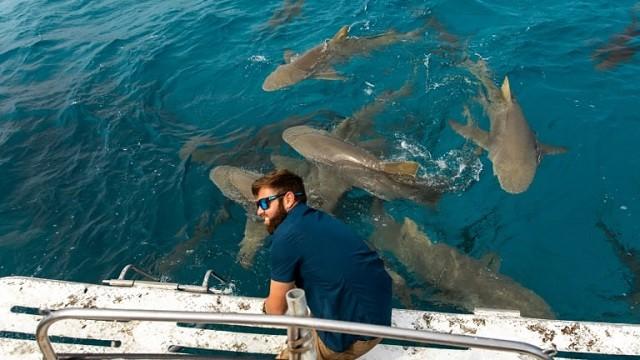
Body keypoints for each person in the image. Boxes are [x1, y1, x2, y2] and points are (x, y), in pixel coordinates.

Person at [251, 169, 392, 360]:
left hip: (358, 334)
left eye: (264, 203)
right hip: (379, 311)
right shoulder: (320, 219)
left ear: (288, 199)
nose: (259, 211)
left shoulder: (286, 237)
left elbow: (276, 311)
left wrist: (266, 308)